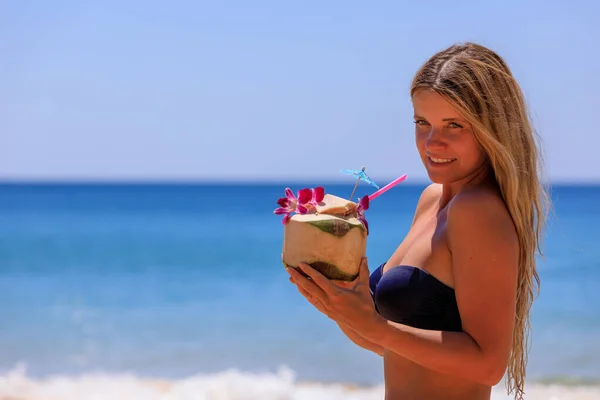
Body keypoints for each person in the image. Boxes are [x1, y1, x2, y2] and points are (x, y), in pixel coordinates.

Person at [286, 42, 549, 400]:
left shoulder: (478, 211)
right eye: (422, 122)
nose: (432, 142)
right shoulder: (432, 200)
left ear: (492, 129)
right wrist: (339, 305)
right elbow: (399, 351)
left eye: (454, 125)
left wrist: (376, 325)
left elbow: (488, 365)